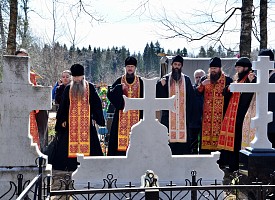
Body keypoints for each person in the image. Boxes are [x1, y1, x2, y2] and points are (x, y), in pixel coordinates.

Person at [53, 64, 105, 171]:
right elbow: (63, 105)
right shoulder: (68, 88)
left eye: (79, 77)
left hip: (86, 124)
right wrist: (62, 119)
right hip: (71, 123)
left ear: (83, 76)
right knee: (66, 146)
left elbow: (96, 103)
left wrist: (96, 116)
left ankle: (89, 165)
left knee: (91, 145)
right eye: (75, 77)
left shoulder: (89, 87)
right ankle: (70, 165)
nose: (77, 79)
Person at [218, 57, 256, 172]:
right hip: (232, 116)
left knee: (238, 141)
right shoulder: (238, 79)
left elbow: (248, 96)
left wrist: (250, 81)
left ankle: (238, 167)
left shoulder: (250, 78)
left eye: (239, 67)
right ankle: (232, 166)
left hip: (242, 116)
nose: (237, 69)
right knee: (233, 142)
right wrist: (229, 88)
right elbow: (226, 92)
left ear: (246, 68)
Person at [196, 57, 233, 166]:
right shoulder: (204, 78)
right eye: (211, 68)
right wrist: (202, 85)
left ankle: (221, 163)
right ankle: (204, 163)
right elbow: (197, 94)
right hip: (206, 118)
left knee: (221, 140)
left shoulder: (227, 80)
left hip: (222, 117)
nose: (213, 70)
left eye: (215, 68)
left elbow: (231, 96)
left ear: (220, 68)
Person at [156, 55, 195, 155]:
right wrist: (161, 85)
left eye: (179, 65)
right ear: (172, 66)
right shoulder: (166, 79)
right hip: (168, 118)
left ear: (181, 66)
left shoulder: (186, 80)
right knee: (167, 143)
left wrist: (189, 117)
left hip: (183, 118)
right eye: (175, 64)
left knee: (183, 146)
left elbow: (191, 99)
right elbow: (159, 98)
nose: (177, 67)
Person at [107, 56, 144, 156]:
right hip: (121, 116)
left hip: (137, 117)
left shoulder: (141, 82)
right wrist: (119, 88)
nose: (130, 68)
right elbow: (110, 93)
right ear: (125, 68)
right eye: (128, 66)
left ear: (135, 68)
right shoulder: (120, 81)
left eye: (132, 66)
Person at [189, 69, 205, 154]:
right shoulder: (192, 89)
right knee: (193, 144)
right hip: (194, 120)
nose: (199, 79)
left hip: (205, 121)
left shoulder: (208, 90)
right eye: (197, 77)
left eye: (201, 77)